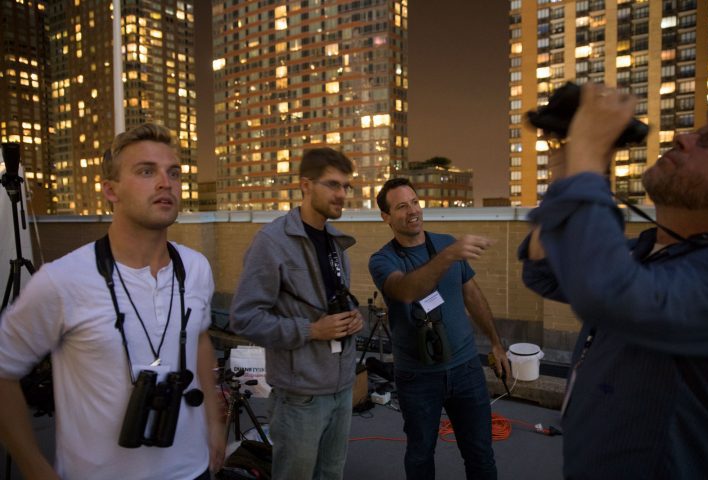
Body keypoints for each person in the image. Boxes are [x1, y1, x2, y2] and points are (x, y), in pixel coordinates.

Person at [0, 124, 225, 480]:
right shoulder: (62, 280)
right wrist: (36, 470)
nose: (166, 182)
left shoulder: (196, 268)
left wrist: (214, 422)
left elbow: (198, 337)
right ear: (110, 190)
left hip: (192, 471)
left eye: (174, 172)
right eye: (146, 171)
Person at [519, 83, 708, 479]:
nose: (681, 137)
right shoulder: (643, 252)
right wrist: (568, 171)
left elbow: (608, 291)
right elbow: (542, 272)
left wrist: (589, 160)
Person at [230, 147, 364, 480]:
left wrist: (351, 318)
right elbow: (244, 318)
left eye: (346, 186)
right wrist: (311, 331)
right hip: (300, 398)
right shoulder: (272, 241)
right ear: (306, 185)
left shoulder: (335, 241)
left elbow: (328, 302)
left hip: (341, 388)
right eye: (333, 185)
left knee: (331, 473)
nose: (342, 194)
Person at [368, 178, 510, 480]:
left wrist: (496, 344)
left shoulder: (446, 242)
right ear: (386, 217)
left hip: (466, 369)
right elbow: (406, 290)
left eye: (415, 202)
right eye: (402, 206)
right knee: (420, 455)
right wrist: (448, 256)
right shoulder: (382, 260)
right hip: (417, 378)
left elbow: (473, 295)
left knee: (481, 454)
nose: (413, 211)